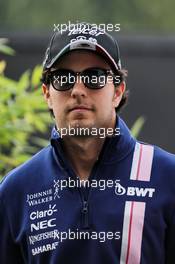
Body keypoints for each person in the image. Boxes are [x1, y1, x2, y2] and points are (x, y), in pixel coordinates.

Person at [0, 22, 174, 264]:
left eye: (94, 76)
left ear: (117, 91)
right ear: (47, 94)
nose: (78, 90)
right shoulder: (15, 191)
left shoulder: (167, 178)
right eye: (63, 77)